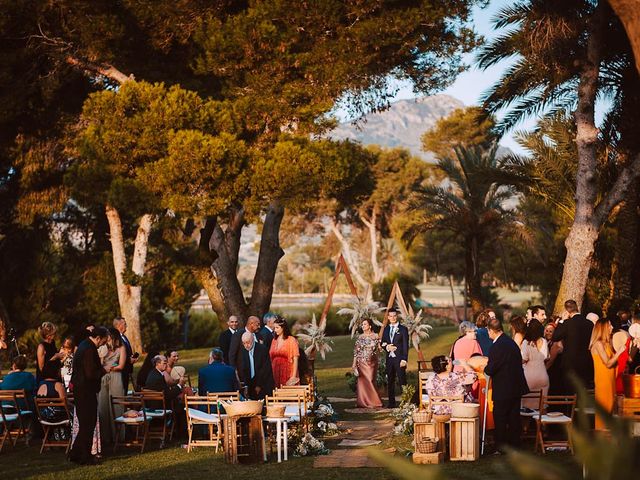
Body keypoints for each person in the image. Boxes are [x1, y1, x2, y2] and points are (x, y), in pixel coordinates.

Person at [484, 317, 529, 452]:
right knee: (514, 417)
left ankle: (501, 446)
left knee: (501, 417)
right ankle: (515, 444)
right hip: (516, 386)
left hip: (503, 387)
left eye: (488, 331)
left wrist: (485, 368)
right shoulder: (511, 342)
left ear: (491, 330)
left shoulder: (496, 347)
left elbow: (492, 368)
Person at [69, 326, 109, 465]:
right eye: (103, 341)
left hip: (82, 390)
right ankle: (84, 456)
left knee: (85, 423)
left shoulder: (84, 345)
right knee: (88, 423)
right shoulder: (89, 349)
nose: (102, 344)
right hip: (85, 390)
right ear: (98, 338)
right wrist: (104, 370)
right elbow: (90, 373)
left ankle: (75, 453)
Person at [551, 299, 595, 392]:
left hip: (570, 363)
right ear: (577, 308)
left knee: (569, 391)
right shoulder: (589, 323)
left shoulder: (567, 323)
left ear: (567, 311)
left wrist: (562, 321)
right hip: (585, 361)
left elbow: (555, 337)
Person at [590, 318, 623, 431]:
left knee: (610, 412)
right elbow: (608, 363)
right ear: (603, 328)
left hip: (610, 381)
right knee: (604, 411)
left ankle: (609, 441)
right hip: (603, 382)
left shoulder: (607, 344)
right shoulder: (598, 344)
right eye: (610, 325)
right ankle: (601, 438)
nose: (612, 327)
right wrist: (619, 353)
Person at [97, 328, 126, 445]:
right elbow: (98, 364)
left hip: (115, 376)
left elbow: (121, 365)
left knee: (117, 405)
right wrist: (102, 357)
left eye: (109, 336)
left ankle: (118, 436)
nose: (107, 338)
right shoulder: (102, 348)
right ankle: (105, 437)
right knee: (103, 405)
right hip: (103, 377)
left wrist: (110, 368)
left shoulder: (121, 348)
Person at [381, 307, 409, 408]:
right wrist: (387, 347)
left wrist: (404, 359)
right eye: (390, 316)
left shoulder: (403, 329)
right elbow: (382, 342)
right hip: (390, 359)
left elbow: (406, 345)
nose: (392, 318)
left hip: (399, 359)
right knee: (390, 381)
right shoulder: (386, 329)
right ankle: (391, 403)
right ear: (388, 317)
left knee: (402, 380)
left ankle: (406, 402)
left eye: (394, 316)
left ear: (396, 316)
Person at [351, 318, 383, 409]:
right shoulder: (360, 337)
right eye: (362, 324)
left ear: (370, 326)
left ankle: (374, 401)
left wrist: (381, 348)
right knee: (363, 382)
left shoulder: (376, 336)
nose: (363, 326)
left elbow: (380, 349)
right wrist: (354, 364)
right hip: (361, 362)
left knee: (371, 380)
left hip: (372, 362)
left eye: (365, 324)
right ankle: (363, 402)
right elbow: (356, 352)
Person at [521, 320, 549, 409]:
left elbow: (524, 359)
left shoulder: (526, 342)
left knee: (526, 409)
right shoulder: (544, 341)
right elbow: (546, 357)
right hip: (543, 375)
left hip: (530, 377)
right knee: (542, 407)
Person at [239, 332, 274, 400]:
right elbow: (245, 369)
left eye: (248, 342)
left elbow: (265, 370)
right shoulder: (244, 351)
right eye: (244, 343)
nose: (246, 345)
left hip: (264, 383)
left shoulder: (262, 349)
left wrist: (259, 385)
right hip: (251, 384)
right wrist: (246, 386)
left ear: (252, 340)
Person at [269, 316, 300, 387]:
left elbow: (295, 358)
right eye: (274, 328)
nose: (275, 330)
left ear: (283, 328)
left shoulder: (291, 340)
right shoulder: (274, 340)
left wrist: (293, 376)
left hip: (287, 370)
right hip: (275, 371)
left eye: (277, 328)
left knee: (287, 392)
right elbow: (271, 357)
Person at [112, 317, 138, 393]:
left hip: (127, 369)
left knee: (125, 390)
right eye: (125, 324)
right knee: (122, 391)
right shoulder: (116, 338)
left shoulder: (124, 337)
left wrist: (132, 358)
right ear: (119, 325)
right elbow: (116, 355)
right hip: (121, 371)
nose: (126, 326)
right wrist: (128, 360)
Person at [544, 323, 564, 395]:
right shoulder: (547, 342)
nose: (548, 333)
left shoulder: (556, 343)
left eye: (550, 331)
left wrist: (543, 371)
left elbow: (551, 361)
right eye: (547, 331)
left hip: (554, 373)